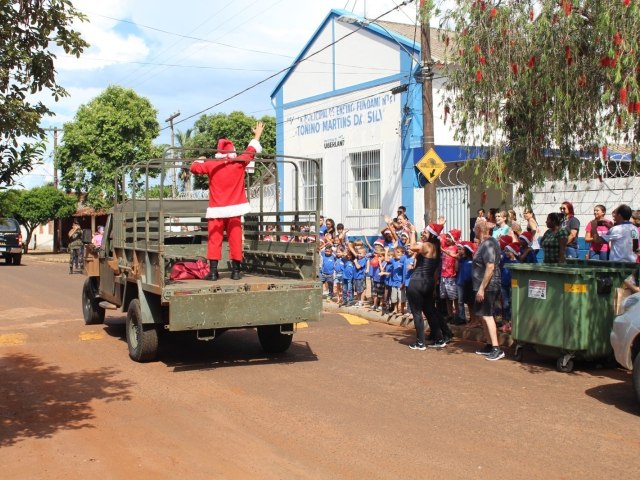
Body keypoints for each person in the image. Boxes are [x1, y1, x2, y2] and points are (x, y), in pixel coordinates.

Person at [190, 121, 264, 281]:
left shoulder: (211, 164)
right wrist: (257, 134)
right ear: (232, 151)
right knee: (235, 239)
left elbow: (194, 168)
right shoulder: (239, 162)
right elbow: (251, 151)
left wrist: (200, 159)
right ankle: (236, 272)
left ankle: (214, 272)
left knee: (214, 240)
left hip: (216, 210)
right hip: (235, 210)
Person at [406, 223, 448, 350]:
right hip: (428, 283)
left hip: (417, 283)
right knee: (429, 311)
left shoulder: (427, 246)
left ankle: (420, 342)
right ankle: (439, 339)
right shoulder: (436, 247)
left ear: (431, 235)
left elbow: (412, 247)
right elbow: (435, 272)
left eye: (425, 232)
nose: (423, 233)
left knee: (417, 313)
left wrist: (412, 232)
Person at [472, 220, 505, 361]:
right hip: (482, 285)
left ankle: (497, 348)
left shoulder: (489, 244)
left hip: (488, 286)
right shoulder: (484, 243)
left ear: (480, 229)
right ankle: (489, 344)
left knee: (487, 315)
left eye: (475, 228)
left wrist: (481, 288)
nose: (473, 230)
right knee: (482, 315)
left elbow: (490, 267)